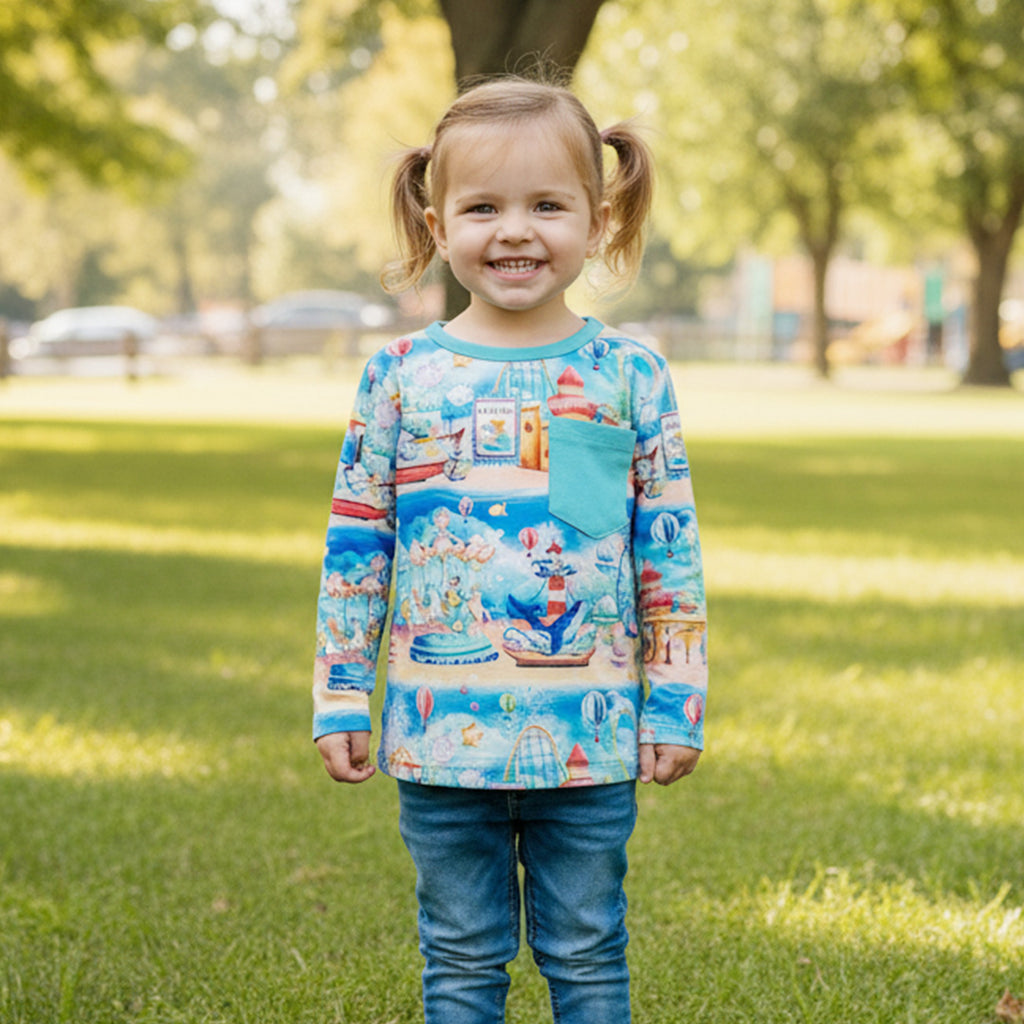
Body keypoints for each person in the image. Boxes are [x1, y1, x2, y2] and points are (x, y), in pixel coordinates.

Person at [313, 76, 708, 1024]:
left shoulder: (628, 373)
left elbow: (670, 552)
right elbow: (357, 546)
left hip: (592, 738)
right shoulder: (401, 378)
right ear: (436, 221)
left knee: (587, 952)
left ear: (597, 217)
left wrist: (677, 703)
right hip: (438, 742)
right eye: (483, 207)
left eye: (547, 205)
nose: (515, 231)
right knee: (459, 959)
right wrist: (338, 689)